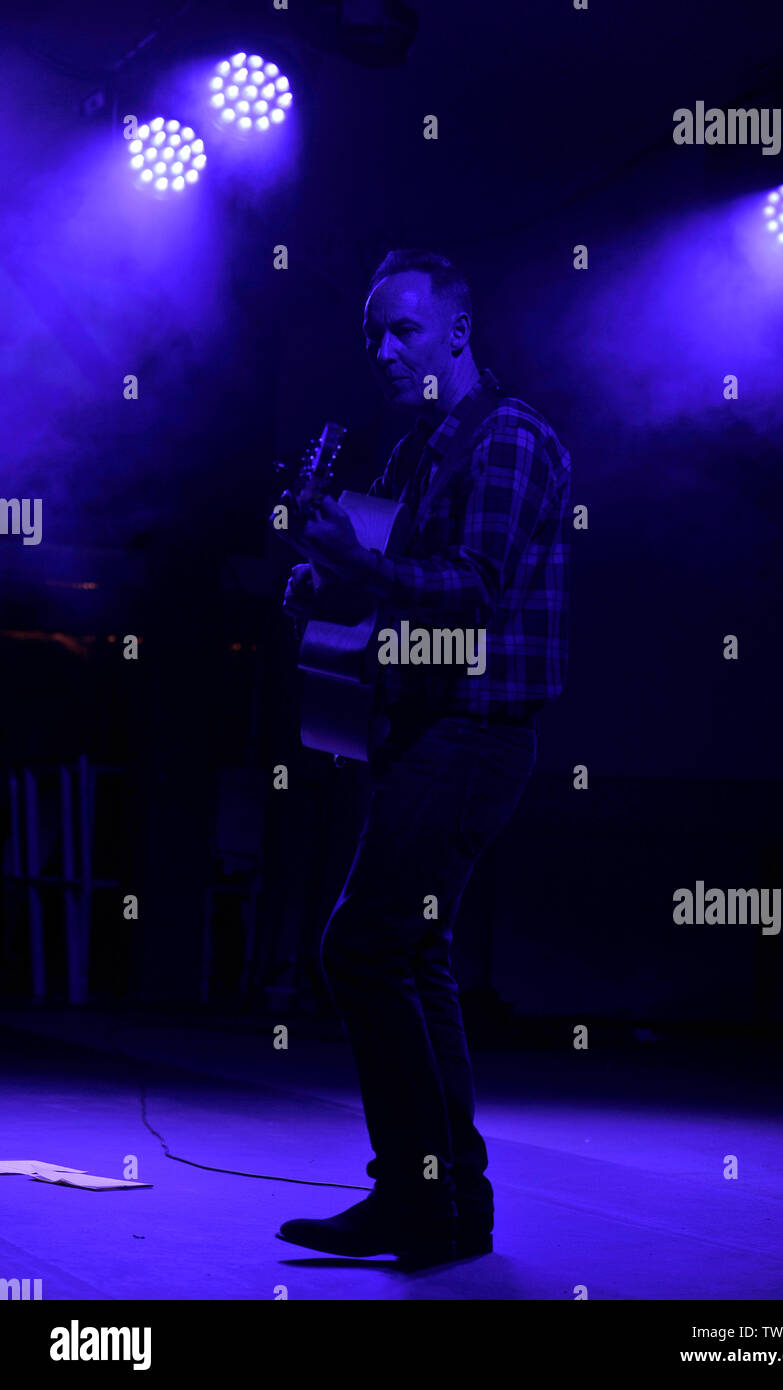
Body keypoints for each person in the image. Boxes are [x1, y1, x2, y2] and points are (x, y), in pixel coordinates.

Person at [276, 249, 570, 1268]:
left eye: (403, 328)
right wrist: (331, 587)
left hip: (473, 731)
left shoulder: (507, 438)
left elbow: (469, 592)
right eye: (371, 334)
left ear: (456, 328)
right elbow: (394, 593)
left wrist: (361, 565)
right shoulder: (417, 452)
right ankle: (451, 1203)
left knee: (359, 949)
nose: (385, 349)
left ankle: (413, 1194)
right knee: (413, 956)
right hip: (426, 730)